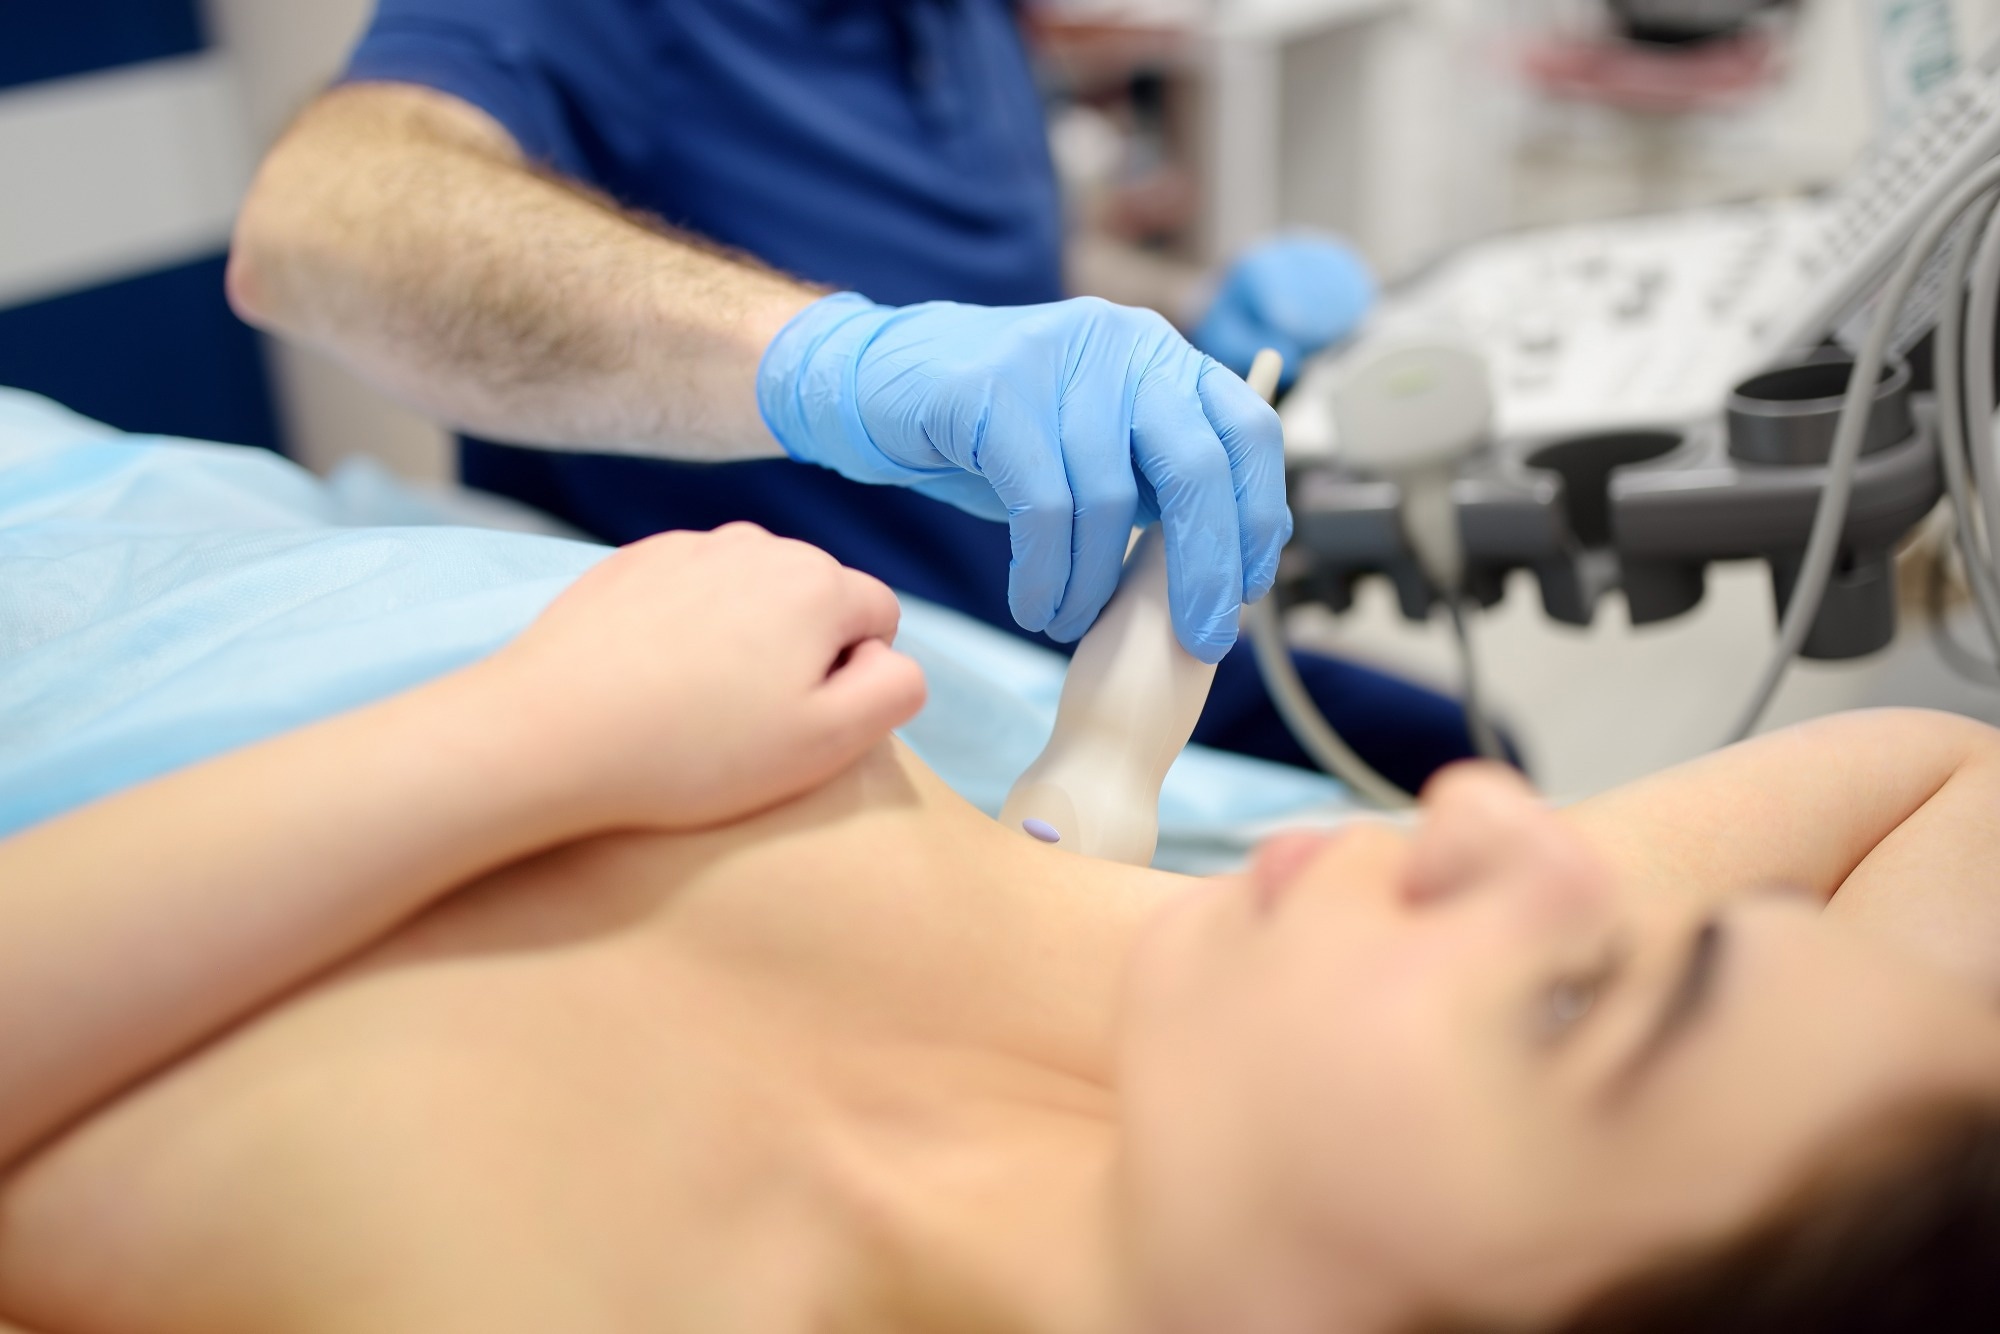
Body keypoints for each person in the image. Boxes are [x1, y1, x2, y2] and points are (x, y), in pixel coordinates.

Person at [4, 526, 2000, 1334]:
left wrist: (534, 738)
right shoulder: (1184, 1009)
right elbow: (1945, 774)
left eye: (1572, 1002)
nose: (1486, 818)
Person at [222, 0, 1486, 793]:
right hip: (837, 697)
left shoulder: (956, 22)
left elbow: (990, 275)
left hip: (1047, 626)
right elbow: (316, 224)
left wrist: (1191, 315)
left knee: (1456, 751)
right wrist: (828, 362)